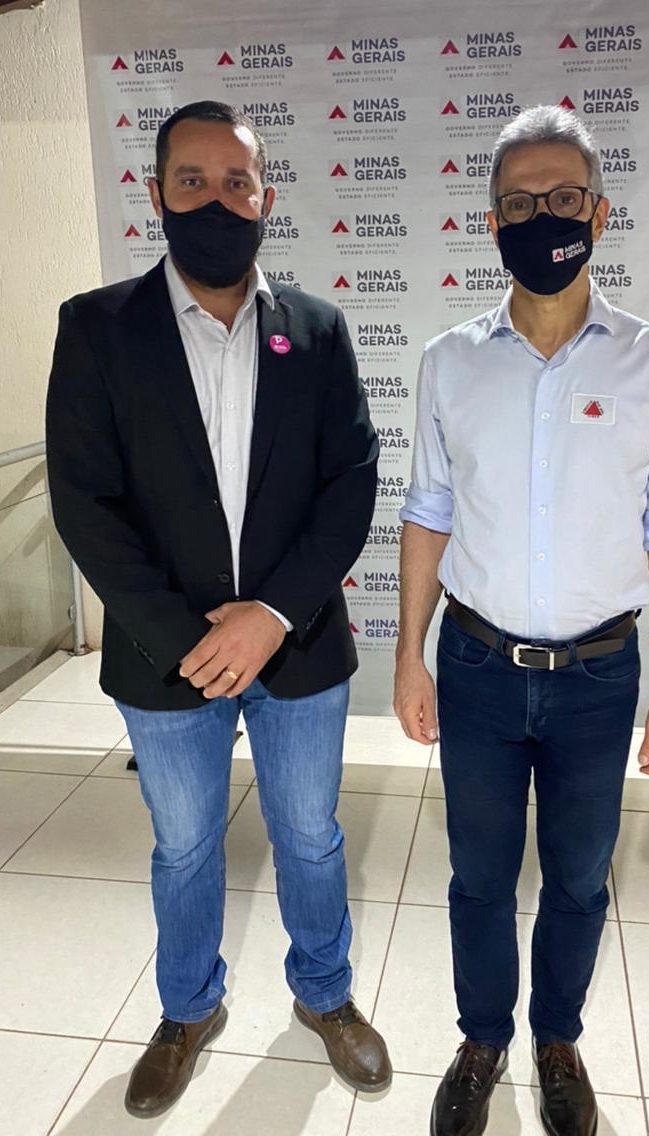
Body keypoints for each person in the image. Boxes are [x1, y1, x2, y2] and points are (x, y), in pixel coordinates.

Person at [46, 100, 390, 1118]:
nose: (215, 201)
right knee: (186, 844)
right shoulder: (97, 327)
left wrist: (271, 614)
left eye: (236, 182)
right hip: (167, 656)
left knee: (311, 835)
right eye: (191, 181)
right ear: (155, 193)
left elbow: (351, 485)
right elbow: (84, 503)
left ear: (264, 196)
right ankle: (187, 1008)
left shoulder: (316, 331)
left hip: (297, 645)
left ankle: (324, 993)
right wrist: (187, 637)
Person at [394, 104, 649, 1136]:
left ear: (600, 213)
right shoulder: (449, 361)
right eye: (520, 204)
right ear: (492, 222)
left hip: (599, 676)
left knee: (576, 878)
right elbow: (428, 513)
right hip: (477, 667)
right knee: (479, 876)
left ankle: (557, 1040)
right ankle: (482, 1039)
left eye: (564, 198)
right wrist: (408, 656)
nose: (544, 218)